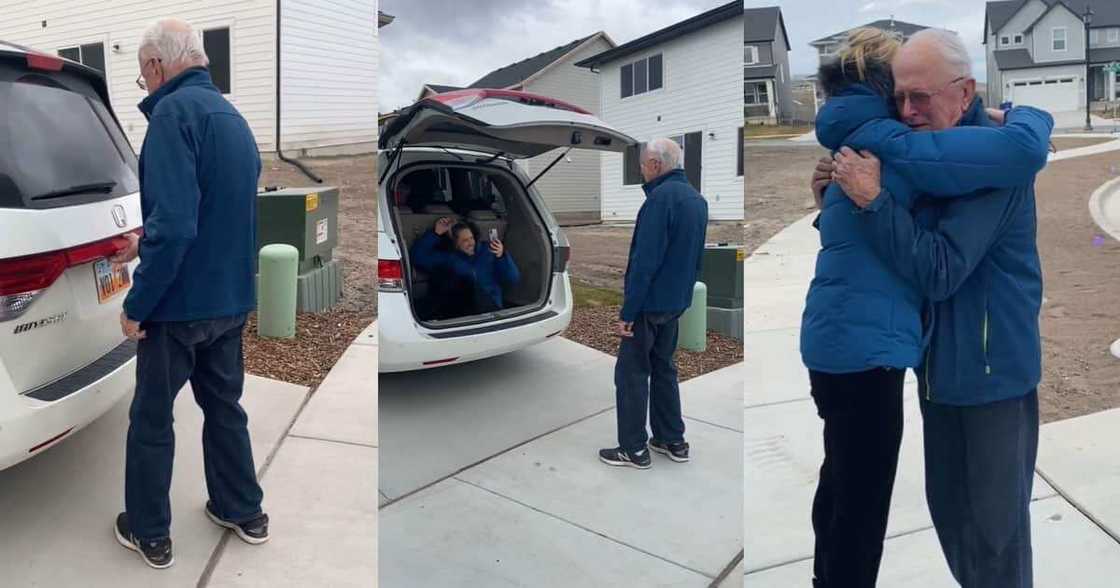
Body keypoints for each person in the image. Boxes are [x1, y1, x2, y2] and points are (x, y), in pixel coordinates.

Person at [815, 28, 1050, 588]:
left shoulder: (991, 170)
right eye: (900, 97)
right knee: (953, 521)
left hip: (992, 376)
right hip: (938, 372)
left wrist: (874, 202)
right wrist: (835, 198)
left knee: (994, 540)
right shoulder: (933, 161)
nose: (909, 111)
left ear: (964, 92)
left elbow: (939, 269)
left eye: (922, 97)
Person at [108, 18, 269, 569]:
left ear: (156, 66)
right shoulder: (232, 117)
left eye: (140, 76)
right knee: (225, 407)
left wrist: (137, 304)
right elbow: (217, 210)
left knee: (152, 420)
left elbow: (177, 227)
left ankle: (150, 531)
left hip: (177, 309)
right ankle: (243, 509)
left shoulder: (173, 116)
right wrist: (142, 242)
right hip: (228, 300)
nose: (144, 86)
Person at [598, 138, 708, 469]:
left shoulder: (659, 201)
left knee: (631, 374)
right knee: (664, 368)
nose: (641, 169)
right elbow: (694, 259)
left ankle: (633, 448)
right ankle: (671, 439)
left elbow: (644, 263)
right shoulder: (696, 201)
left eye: (644, 164)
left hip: (648, 306)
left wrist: (628, 313)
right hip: (675, 304)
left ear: (657, 165)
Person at [410, 217, 520, 318]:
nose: (470, 243)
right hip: (462, 311)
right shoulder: (449, 258)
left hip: (491, 308)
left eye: (471, 238)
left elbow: (513, 278)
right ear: (455, 244)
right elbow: (418, 257)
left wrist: (502, 256)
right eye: (464, 240)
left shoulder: (488, 250)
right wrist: (435, 233)